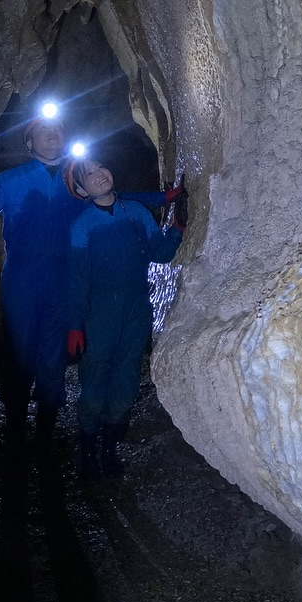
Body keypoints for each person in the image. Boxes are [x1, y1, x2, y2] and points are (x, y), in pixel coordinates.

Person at [0, 103, 169, 447]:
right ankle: (15, 432)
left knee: (53, 356)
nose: (52, 133)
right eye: (43, 130)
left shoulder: (77, 182)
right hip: (22, 280)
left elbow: (117, 199)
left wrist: (163, 197)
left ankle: (45, 435)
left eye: (57, 128)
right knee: (19, 353)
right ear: (30, 143)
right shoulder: (13, 180)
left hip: (65, 279)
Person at [63, 157, 185, 479]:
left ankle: (109, 450)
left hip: (135, 312)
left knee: (126, 383)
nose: (98, 174)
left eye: (99, 166)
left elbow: (160, 253)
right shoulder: (81, 226)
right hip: (98, 316)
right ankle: (87, 453)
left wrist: (177, 228)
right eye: (88, 174)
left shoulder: (137, 212)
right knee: (94, 386)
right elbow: (77, 280)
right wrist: (75, 326)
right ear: (81, 190)